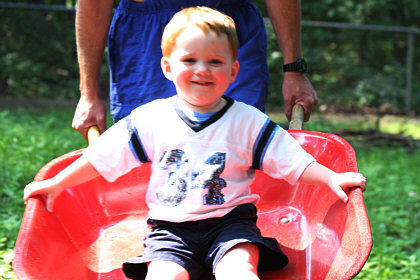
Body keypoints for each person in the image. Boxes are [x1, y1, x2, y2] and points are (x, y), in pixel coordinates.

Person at [25, 7, 365, 280]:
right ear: (167, 67)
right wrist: (58, 183)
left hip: (231, 222)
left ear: (233, 71)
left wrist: (330, 179)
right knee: (166, 275)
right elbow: (102, 157)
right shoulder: (150, 119)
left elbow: (291, 159)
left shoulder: (247, 120)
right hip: (169, 230)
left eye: (215, 62)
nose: (202, 69)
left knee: (239, 271)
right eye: (189, 60)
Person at [73, 0, 318, 142]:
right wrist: (88, 93)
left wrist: (293, 69)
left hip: (229, 25)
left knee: (240, 142)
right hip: (147, 34)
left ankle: (232, 227)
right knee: (146, 152)